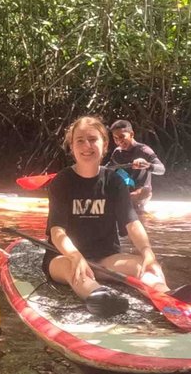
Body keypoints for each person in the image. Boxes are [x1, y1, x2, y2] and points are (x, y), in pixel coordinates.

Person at [46, 115, 167, 312]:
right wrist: (75, 255)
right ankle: (99, 296)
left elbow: (132, 223)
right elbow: (57, 231)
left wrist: (147, 252)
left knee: (141, 265)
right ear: (72, 146)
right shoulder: (62, 181)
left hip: (104, 258)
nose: (87, 145)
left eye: (93, 139)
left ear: (105, 144)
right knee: (74, 271)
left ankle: (165, 294)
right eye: (80, 140)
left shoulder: (114, 182)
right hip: (65, 257)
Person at [106, 120, 165, 212]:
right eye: (115, 138)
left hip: (141, 192)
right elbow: (107, 169)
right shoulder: (117, 153)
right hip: (124, 189)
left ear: (131, 134)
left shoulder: (144, 151)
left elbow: (161, 169)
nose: (119, 141)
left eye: (122, 137)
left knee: (137, 195)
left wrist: (147, 165)